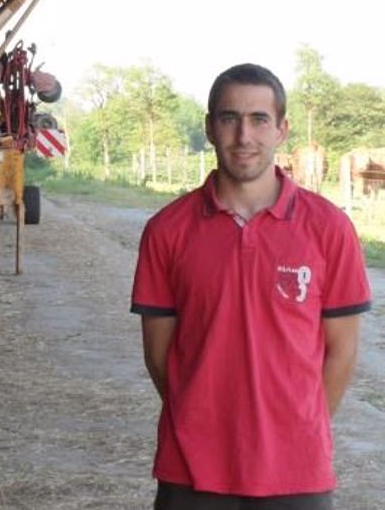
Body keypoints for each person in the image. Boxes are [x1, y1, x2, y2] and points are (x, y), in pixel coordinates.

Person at [130, 63, 372, 509]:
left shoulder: (329, 228)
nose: (244, 136)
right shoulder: (167, 230)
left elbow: (342, 353)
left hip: (297, 470)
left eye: (259, 119)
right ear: (209, 127)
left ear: (281, 129)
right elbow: (159, 356)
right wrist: (200, 415)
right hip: (191, 468)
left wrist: (297, 426)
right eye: (229, 118)